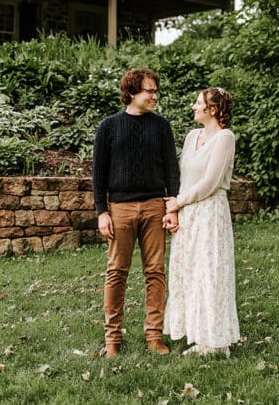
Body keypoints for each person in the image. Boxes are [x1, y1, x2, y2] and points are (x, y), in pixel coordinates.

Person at [92, 68, 180, 357]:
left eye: (156, 91)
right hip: (120, 209)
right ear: (131, 93)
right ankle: (112, 339)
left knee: (155, 271)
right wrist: (102, 212)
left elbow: (171, 168)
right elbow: (98, 174)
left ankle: (154, 336)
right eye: (149, 91)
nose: (154, 96)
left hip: (155, 206)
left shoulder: (161, 126)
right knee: (116, 272)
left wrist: (172, 205)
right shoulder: (109, 127)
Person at [163, 86, 241, 356]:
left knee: (210, 273)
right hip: (187, 212)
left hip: (209, 212)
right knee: (189, 273)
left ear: (214, 110)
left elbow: (211, 182)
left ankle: (215, 340)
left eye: (199, 103)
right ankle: (197, 333)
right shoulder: (192, 136)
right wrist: (174, 209)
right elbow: (183, 175)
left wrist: (179, 201)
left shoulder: (225, 138)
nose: (194, 107)